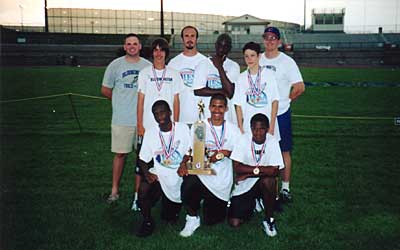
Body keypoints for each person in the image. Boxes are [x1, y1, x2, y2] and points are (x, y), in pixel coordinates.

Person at [177, 94, 240, 237]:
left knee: (212, 220)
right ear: (209, 107)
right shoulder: (200, 126)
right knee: (189, 183)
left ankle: (211, 201)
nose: (217, 110)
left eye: (221, 106)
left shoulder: (233, 130)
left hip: (221, 179)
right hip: (202, 173)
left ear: (226, 109)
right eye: (214, 106)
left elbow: (239, 155)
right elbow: (190, 151)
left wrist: (225, 152)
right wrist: (183, 164)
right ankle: (192, 217)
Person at [101, 33, 151, 204]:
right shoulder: (115, 65)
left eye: (135, 43)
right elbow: (105, 90)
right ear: (124, 47)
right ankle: (114, 190)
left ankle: (138, 193)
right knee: (120, 154)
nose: (132, 46)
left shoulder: (147, 66)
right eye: (128, 44)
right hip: (122, 119)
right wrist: (120, 102)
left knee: (142, 157)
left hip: (143, 121)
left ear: (140, 46)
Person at [259, 27, 305, 202]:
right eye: (267, 38)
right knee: (263, 151)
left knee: (284, 150)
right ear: (264, 40)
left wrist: (286, 100)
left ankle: (285, 188)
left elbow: (300, 87)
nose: (270, 41)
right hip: (262, 114)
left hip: (281, 114)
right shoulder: (258, 59)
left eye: (273, 38)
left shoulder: (287, 62)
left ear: (279, 41)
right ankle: (263, 187)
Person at [135, 100, 191, 237]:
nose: (160, 116)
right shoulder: (150, 133)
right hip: (160, 175)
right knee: (143, 189)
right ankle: (147, 221)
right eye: (156, 114)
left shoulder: (183, 128)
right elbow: (142, 159)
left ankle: (174, 206)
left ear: (170, 112)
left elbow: (191, 151)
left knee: (169, 218)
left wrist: (183, 163)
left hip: (178, 174)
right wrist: (147, 174)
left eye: (162, 112)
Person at [228, 113, 284, 237]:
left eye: (262, 129)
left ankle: (269, 219)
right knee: (234, 223)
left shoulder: (273, 141)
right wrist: (263, 170)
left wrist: (248, 174)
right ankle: (254, 203)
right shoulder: (243, 139)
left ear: (268, 129)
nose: (258, 132)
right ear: (251, 128)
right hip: (245, 186)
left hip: (260, 182)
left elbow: (275, 171)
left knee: (269, 181)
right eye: (255, 129)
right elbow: (237, 168)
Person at [233, 41, 280, 140]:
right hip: (248, 127)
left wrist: (271, 127)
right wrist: (240, 126)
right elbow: (238, 105)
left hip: (267, 126)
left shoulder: (269, 75)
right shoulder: (241, 78)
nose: (249, 59)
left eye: (252, 55)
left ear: (259, 56)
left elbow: (274, 101)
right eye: (246, 56)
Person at [192, 33, 240, 125]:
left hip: (226, 117)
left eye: (225, 46)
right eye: (220, 45)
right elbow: (198, 91)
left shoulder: (234, 66)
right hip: (206, 116)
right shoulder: (203, 64)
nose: (222, 49)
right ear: (215, 45)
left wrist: (219, 67)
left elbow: (230, 93)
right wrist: (221, 92)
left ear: (230, 48)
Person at [168, 26, 207, 126]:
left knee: (199, 142)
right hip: (180, 118)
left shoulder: (205, 62)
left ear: (196, 39)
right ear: (182, 39)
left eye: (192, 36)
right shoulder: (174, 63)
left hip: (200, 118)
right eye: (186, 36)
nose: (189, 39)